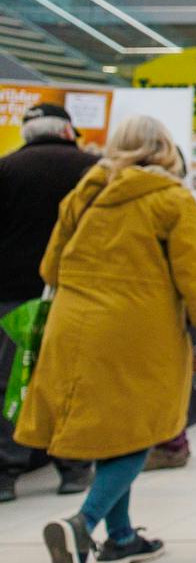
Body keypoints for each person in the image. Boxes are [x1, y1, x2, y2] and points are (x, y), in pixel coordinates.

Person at [17, 116, 196, 563]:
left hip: (73, 324)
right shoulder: (172, 199)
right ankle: (84, 524)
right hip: (139, 327)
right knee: (144, 428)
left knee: (113, 428)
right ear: (165, 150)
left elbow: (49, 265)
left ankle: (121, 539)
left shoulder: (85, 192)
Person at [0, 104, 100, 504]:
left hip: (11, 294)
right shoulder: (94, 170)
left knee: (10, 383)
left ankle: (6, 472)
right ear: (67, 132)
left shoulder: (5, 170)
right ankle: (74, 466)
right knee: (70, 380)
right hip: (76, 292)